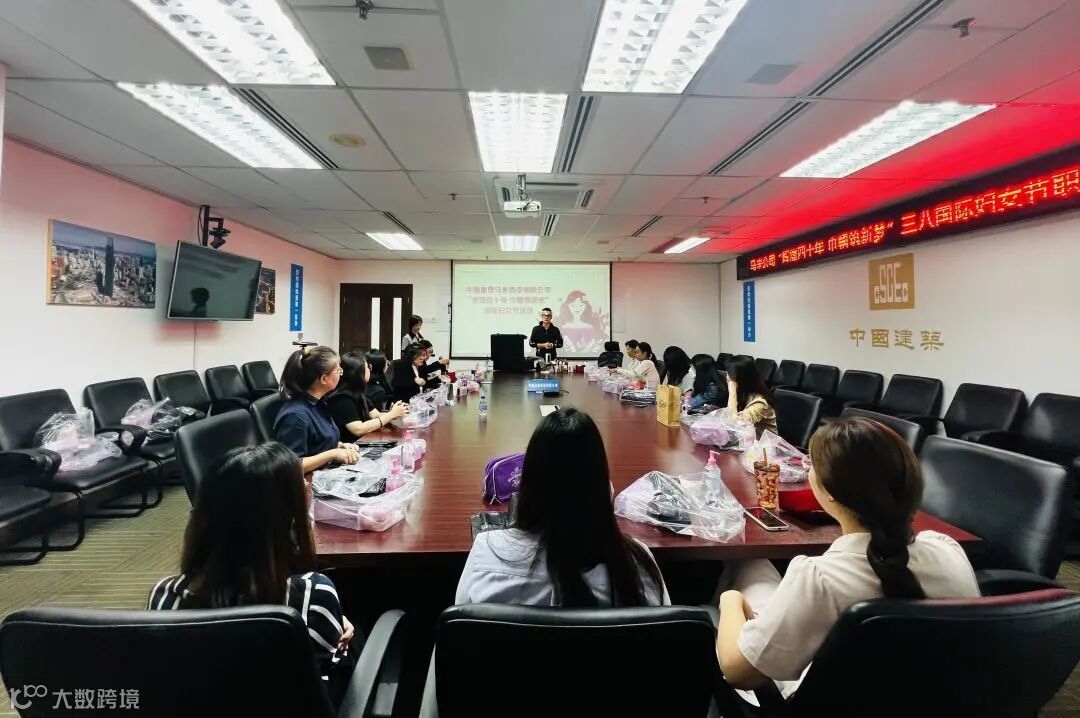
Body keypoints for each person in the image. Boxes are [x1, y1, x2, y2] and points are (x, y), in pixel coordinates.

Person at [714, 418, 979, 704]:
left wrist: (731, 600)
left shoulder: (819, 579)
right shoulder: (949, 551)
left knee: (743, 569)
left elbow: (737, 672)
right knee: (754, 565)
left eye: (811, 465)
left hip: (819, 698)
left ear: (829, 491)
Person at [148, 443, 359, 707]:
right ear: (288, 517)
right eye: (303, 486)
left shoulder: (164, 596)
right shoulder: (311, 595)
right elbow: (322, 679)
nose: (308, 485)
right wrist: (329, 620)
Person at [456, 408, 669, 606]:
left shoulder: (486, 555)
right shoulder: (638, 567)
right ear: (602, 487)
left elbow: (459, 626)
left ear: (527, 485)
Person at [274, 346, 359, 473]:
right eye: (338, 371)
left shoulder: (319, 403)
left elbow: (317, 442)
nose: (341, 375)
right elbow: (291, 466)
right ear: (324, 379)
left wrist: (339, 446)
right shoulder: (295, 416)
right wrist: (332, 454)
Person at [328, 352, 409, 441]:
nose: (370, 370)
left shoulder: (359, 393)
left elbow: (376, 415)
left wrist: (396, 412)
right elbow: (358, 429)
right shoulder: (341, 398)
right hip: (350, 446)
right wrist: (391, 414)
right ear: (358, 373)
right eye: (367, 367)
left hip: (363, 442)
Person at [725, 357, 778, 437]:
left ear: (738, 378)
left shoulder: (761, 403)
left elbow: (734, 427)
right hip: (747, 441)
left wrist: (732, 393)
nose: (727, 377)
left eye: (729, 374)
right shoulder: (742, 394)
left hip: (764, 444)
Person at [555, 290, 606, 354]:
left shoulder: (592, 327)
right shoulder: (561, 328)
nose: (577, 308)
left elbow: (598, 343)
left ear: (586, 306)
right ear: (567, 306)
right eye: (573, 305)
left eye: (581, 305)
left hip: (590, 358)